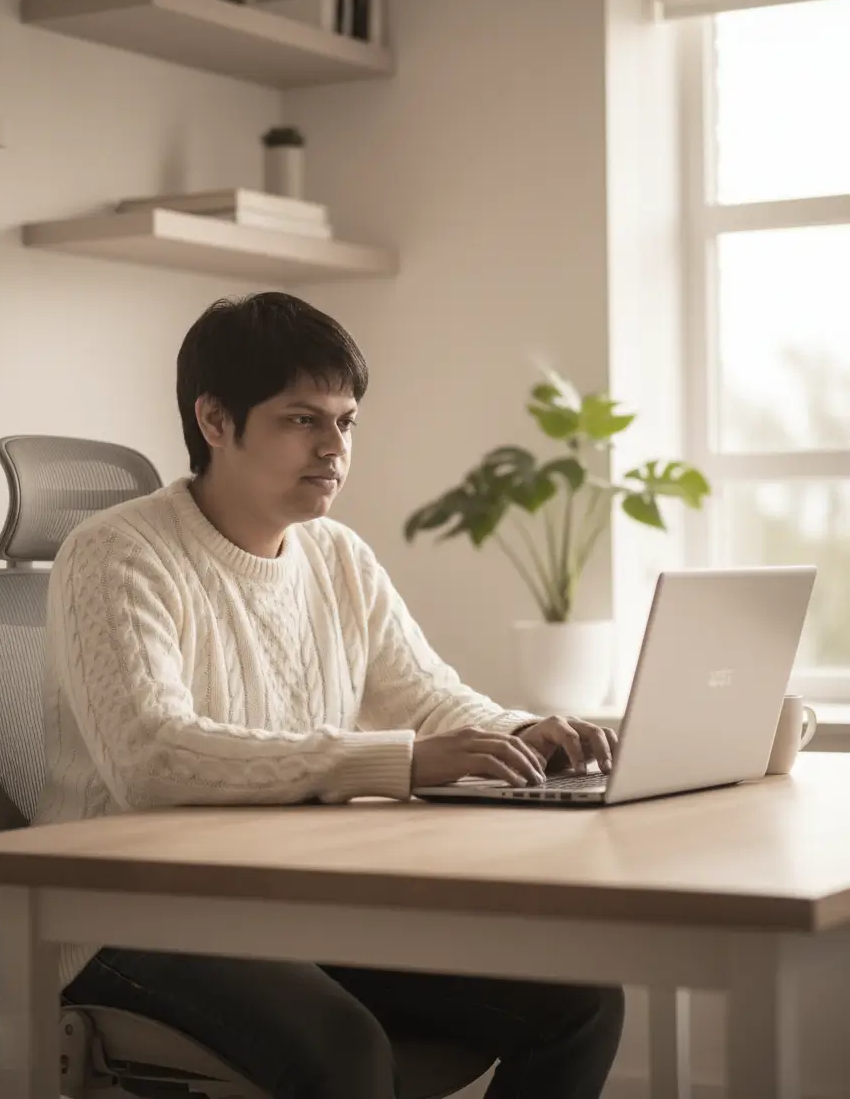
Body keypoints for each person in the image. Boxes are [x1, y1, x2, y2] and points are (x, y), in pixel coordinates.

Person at [35, 292, 625, 1099]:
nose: (334, 448)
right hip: (127, 918)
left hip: (296, 904)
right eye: (301, 420)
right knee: (343, 1051)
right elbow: (154, 758)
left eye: (346, 422)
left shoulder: (338, 556)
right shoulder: (114, 553)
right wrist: (400, 763)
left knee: (579, 1003)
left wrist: (524, 732)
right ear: (214, 420)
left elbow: (424, 697)